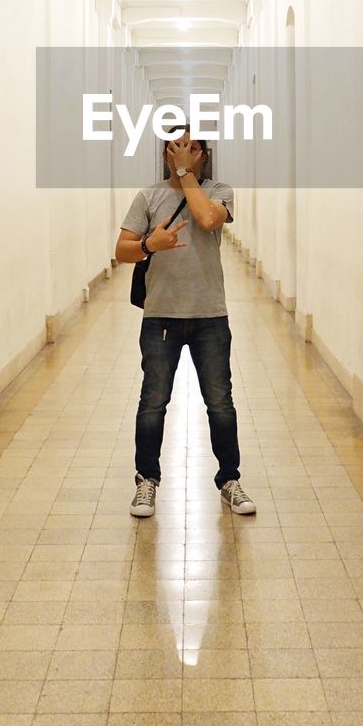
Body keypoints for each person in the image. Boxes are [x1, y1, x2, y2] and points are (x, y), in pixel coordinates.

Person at [115, 130, 256, 518]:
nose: (185, 152)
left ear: (204, 155)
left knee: (220, 402)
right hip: (161, 314)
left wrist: (186, 175)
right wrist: (148, 246)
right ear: (164, 153)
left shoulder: (220, 191)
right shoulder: (148, 197)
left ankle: (230, 480)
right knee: (153, 402)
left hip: (209, 315)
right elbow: (122, 250)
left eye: (193, 147)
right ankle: (146, 481)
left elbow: (207, 220)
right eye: (177, 146)